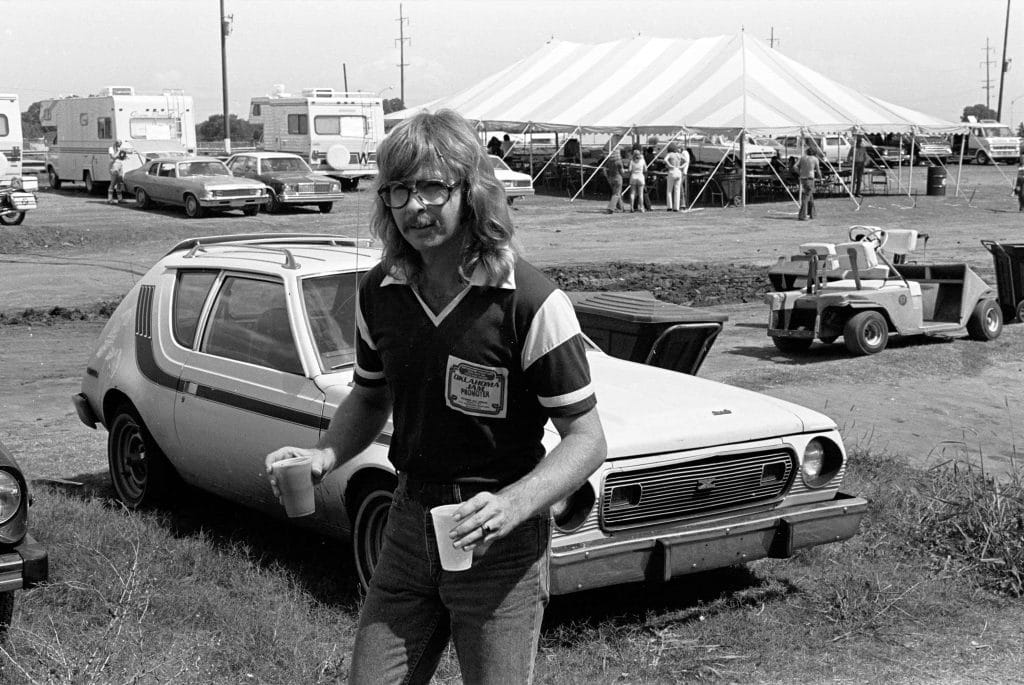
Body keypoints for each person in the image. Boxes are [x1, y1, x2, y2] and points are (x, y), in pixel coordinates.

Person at [265, 109, 607, 685]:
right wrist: (324, 456)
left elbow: (587, 439)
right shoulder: (380, 292)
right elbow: (370, 398)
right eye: (399, 189)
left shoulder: (529, 301)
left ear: (470, 191)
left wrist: (512, 506)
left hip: (499, 538)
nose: (414, 207)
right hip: (408, 523)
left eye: (431, 186)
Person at [797, 146, 821, 221]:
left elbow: (795, 166)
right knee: (806, 196)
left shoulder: (802, 158)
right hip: (810, 178)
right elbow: (818, 170)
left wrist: (800, 173)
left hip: (803, 179)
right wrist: (820, 177)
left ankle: (812, 214)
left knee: (810, 196)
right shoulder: (815, 159)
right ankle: (803, 215)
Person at [604, 148, 625, 214]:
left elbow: (604, 170)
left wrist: (607, 177)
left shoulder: (609, 161)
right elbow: (622, 172)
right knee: (616, 194)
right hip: (617, 178)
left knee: (617, 193)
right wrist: (623, 175)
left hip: (611, 178)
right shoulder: (619, 162)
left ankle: (621, 208)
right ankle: (611, 208)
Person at [664, 143, 684, 212]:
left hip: (672, 171)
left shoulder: (669, 154)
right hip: (678, 171)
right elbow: (687, 160)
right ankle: (676, 207)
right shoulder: (678, 155)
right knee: (677, 190)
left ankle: (669, 207)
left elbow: (665, 160)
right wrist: (682, 166)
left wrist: (669, 165)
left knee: (669, 190)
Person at [627, 148, 646, 213]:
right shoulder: (642, 160)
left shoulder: (631, 161)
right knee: (641, 194)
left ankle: (631, 207)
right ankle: (641, 208)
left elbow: (629, 170)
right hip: (640, 176)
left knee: (632, 193)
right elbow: (645, 169)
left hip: (633, 176)